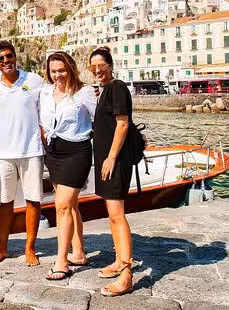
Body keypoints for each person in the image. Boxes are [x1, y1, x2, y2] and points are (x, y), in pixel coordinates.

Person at [0, 40, 48, 266]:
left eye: (9, 56)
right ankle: (2, 247)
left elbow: (46, 113)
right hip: (4, 153)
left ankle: (30, 248)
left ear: (15, 56)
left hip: (32, 151)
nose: (6, 61)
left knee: (33, 201)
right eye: (1, 58)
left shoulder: (34, 80)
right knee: (5, 201)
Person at [39, 51, 97, 281]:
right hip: (53, 153)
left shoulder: (84, 93)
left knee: (61, 205)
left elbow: (102, 119)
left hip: (77, 152)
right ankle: (79, 252)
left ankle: (62, 261)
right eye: (53, 71)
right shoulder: (45, 92)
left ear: (70, 68)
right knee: (71, 206)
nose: (57, 75)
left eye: (61, 70)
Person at [89, 47, 134, 297]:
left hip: (114, 161)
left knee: (117, 215)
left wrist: (111, 158)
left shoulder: (117, 88)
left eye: (101, 66)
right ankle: (119, 261)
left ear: (110, 65)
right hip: (108, 160)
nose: (97, 71)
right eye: (93, 67)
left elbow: (123, 123)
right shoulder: (104, 90)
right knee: (112, 214)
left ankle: (126, 273)